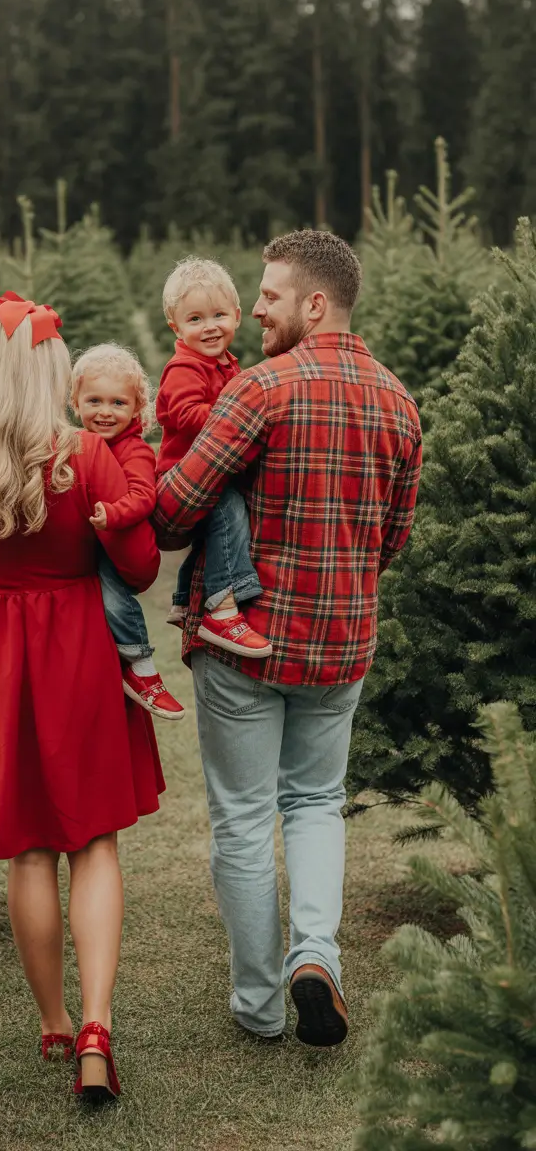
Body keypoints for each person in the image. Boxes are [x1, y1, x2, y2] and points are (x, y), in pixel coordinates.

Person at [154, 231, 422, 1047]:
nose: (253, 309)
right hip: (339, 646)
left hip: (246, 645)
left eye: (267, 296)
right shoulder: (399, 403)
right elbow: (393, 540)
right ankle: (317, 956)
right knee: (314, 804)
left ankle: (260, 1005)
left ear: (315, 303)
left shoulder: (261, 390)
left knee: (241, 819)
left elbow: (173, 513)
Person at [0, 291, 165, 1104]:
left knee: (30, 846)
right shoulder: (83, 455)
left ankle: (56, 1022)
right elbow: (137, 570)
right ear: (53, 376)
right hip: (80, 650)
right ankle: (99, 1023)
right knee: (93, 840)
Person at [156, 257, 272, 658]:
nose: (209, 326)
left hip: (213, 470)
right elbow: (187, 416)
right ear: (176, 327)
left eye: (218, 315)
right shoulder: (184, 368)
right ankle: (223, 611)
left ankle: (184, 596)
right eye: (195, 319)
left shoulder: (227, 364)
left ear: (237, 316)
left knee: (215, 535)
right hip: (185, 474)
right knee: (229, 511)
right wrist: (235, 416)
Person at [70, 341, 184, 719]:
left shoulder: (133, 450)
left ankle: (142, 666)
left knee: (114, 597)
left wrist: (111, 514)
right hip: (96, 542)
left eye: (118, 403)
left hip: (123, 550)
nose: (105, 412)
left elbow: (143, 497)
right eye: (94, 401)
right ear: (76, 403)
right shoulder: (78, 445)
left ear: (137, 408)